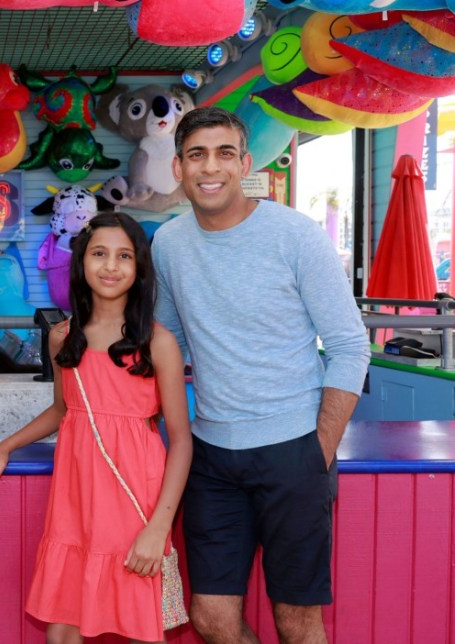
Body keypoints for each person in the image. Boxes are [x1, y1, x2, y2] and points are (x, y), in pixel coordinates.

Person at [152, 106, 370, 644]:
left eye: (225, 153)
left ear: (245, 162)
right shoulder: (168, 245)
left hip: (294, 449)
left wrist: (317, 450)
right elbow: (166, 343)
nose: (211, 167)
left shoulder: (296, 236)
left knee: (297, 619)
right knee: (210, 616)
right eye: (197, 154)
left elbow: (349, 346)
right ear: (178, 168)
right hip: (211, 457)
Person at [0, 212, 192, 643]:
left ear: (139, 268)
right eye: (99, 254)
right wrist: (6, 446)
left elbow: (182, 441)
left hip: (135, 503)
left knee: (138, 625)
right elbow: (62, 410)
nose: (110, 266)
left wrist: (158, 528)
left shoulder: (159, 342)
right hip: (75, 502)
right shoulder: (63, 337)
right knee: (62, 627)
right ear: (81, 262)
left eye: (123, 256)